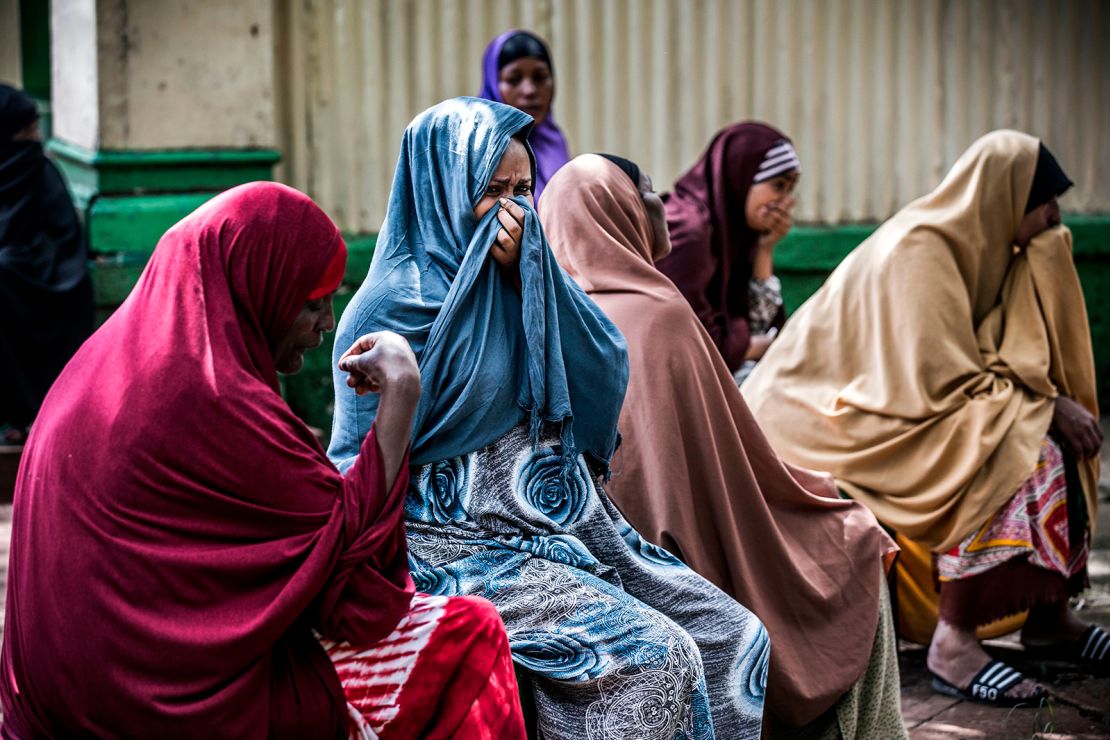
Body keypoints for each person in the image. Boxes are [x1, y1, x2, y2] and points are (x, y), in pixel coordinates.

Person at [0, 182, 525, 738]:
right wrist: (402, 395)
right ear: (258, 286)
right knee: (470, 633)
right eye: (311, 301)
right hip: (152, 706)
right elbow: (354, 593)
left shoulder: (107, 360)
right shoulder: (216, 399)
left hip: (62, 698)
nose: (326, 324)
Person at [329, 97, 770, 739]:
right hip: (448, 544)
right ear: (442, 192)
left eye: (523, 190)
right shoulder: (386, 314)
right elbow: (359, 468)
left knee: (734, 635)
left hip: (559, 523)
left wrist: (529, 280)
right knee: (656, 657)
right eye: (491, 191)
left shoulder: (524, 280)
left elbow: (600, 365)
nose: (512, 211)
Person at [542, 153, 907, 738]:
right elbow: (737, 465)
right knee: (853, 539)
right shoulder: (656, 311)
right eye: (650, 192)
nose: (665, 206)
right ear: (621, 212)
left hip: (595, 560)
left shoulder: (547, 315)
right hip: (680, 558)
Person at [742, 131, 1104, 707]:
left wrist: (1047, 398)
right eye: (1046, 205)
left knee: (1029, 434)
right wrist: (1048, 406)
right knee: (1006, 451)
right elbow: (940, 387)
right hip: (823, 422)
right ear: (1005, 197)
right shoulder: (924, 248)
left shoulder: (986, 252)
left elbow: (981, 362)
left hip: (886, 410)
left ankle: (1048, 617)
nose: (1054, 220)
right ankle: (953, 643)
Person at [656, 122, 799, 383]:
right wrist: (752, 348)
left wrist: (765, 249)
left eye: (790, 189)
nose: (788, 201)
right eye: (778, 186)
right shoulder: (688, 230)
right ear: (739, 176)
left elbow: (760, 323)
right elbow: (687, 339)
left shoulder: (735, 231)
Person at [0, 83, 93, 443]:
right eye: (25, 132)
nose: (34, 139)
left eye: (34, 130)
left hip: (53, 288)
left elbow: (63, 249)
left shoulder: (40, 173)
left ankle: (29, 414)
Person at [477, 29, 570, 200]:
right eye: (514, 80)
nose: (529, 91)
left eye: (540, 77)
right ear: (493, 85)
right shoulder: (477, 151)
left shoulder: (553, 144)